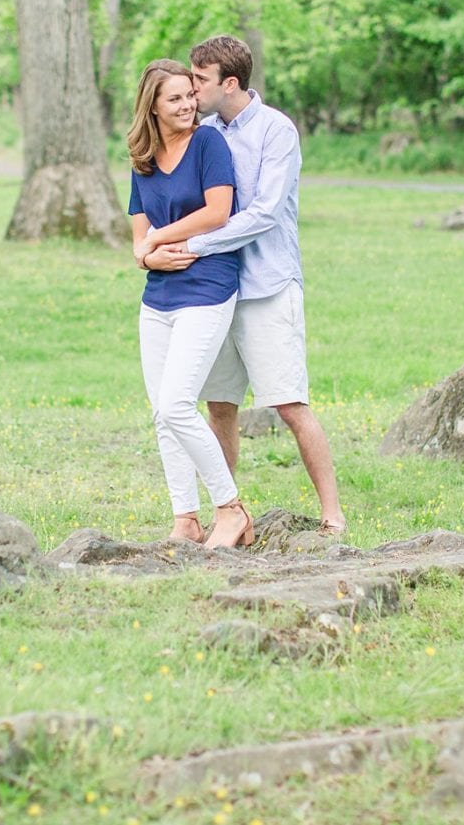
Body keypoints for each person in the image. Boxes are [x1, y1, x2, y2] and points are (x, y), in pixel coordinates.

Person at [142, 35, 346, 536]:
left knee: (290, 403)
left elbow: (264, 213)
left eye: (201, 79)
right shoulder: (205, 132)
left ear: (229, 84)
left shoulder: (277, 131)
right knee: (219, 405)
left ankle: (333, 515)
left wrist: (193, 246)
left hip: (267, 284)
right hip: (213, 292)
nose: (191, 87)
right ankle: (223, 514)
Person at [127, 59, 256, 549]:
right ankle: (185, 517)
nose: (187, 105)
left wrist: (156, 241)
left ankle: (231, 508)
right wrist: (148, 257)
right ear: (153, 107)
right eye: (174, 99)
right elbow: (139, 241)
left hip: (208, 287)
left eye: (189, 95)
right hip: (158, 297)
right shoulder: (143, 157)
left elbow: (218, 212)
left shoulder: (208, 143)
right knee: (162, 413)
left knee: (178, 403)